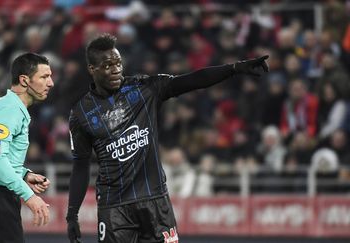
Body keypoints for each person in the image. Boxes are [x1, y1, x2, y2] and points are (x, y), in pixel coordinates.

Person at [66, 33, 268, 243]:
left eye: (118, 63)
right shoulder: (81, 114)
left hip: (155, 201)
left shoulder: (143, 88)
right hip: (114, 207)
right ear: (92, 69)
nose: (116, 69)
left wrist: (234, 69)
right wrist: (72, 214)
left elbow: (191, 81)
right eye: (108, 65)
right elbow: (80, 165)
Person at [0, 53, 54, 243]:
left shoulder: (9, 107)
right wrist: (29, 195)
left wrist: (23, 174)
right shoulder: (10, 109)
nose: (51, 83)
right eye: (44, 76)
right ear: (24, 80)